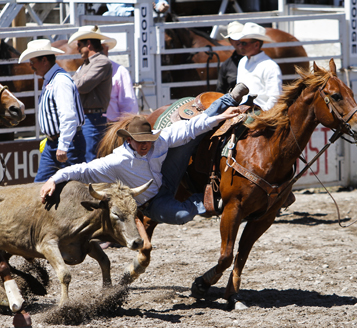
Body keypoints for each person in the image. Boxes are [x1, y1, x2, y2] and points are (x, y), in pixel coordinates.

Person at [39, 84, 249, 225]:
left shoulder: (160, 138)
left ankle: (228, 99)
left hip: (166, 178)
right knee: (182, 216)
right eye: (140, 142)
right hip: (151, 201)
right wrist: (53, 179)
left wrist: (221, 115)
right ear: (129, 140)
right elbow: (82, 170)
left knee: (192, 134)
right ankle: (205, 201)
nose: (145, 146)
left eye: (147, 141)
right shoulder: (117, 160)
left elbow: (192, 127)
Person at [18, 39, 85, 182]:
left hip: (66, 143)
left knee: (78, 187)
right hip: (55, 142)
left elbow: (68, 115)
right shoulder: (52, 79)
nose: (30, 65)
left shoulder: (60, 81)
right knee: (40, 185)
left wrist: (63, 145)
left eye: (33, 61)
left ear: (44, 60)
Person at [68, 25, 113, 162]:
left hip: (92, 118)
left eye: (79, 45)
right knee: (82, 157)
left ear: (88, 44)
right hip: (86, 118)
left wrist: (69, 83)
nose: (77, 48)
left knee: (90, 159)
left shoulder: (102, 62)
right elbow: (77, 83)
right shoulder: (86, 64)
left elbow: (81, 85)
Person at [235, 22, 282, 111]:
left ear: (256, 45)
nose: (240, 46)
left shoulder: (270, 66)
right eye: (240, 43)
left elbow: (275, 97)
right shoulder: (242, 61)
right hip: (240, 110)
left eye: (244, 43)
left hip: (259, 112)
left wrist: (262, 115)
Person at [102, 38, 139, 122]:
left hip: (112, 125)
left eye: (99, 48)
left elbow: (129, 106)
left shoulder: (120, 71)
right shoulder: (82, 69)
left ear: (106, 49)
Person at [216, 21, 245, 94]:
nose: (238, 40)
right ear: (230, 41)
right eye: (234, 38)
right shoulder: (226, 65)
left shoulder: (256, 60)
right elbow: (220, 90)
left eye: (240, 37)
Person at [104, 0, 169, 16]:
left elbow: (157, 1)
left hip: (145, 22)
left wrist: (161, 5)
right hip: (124, 25)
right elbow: (119, 10)